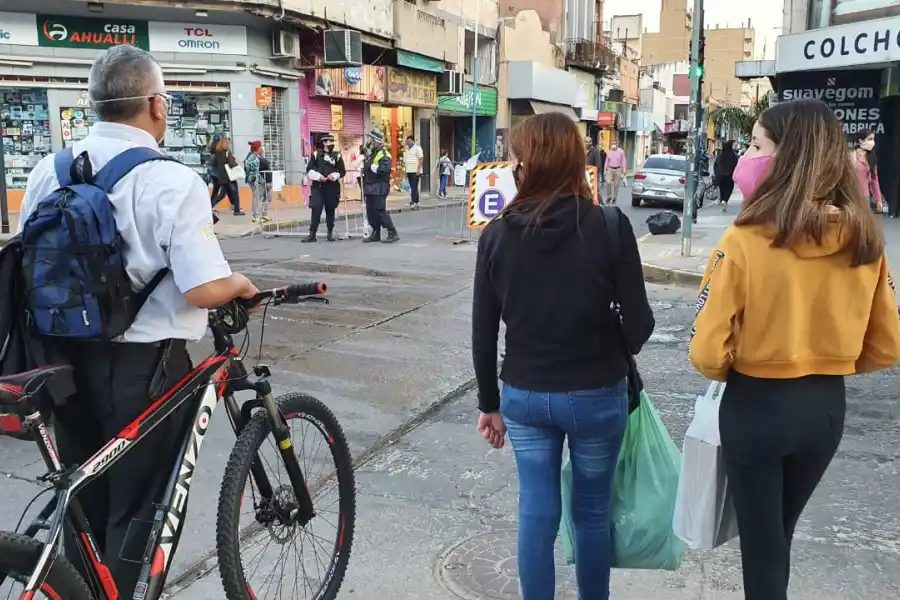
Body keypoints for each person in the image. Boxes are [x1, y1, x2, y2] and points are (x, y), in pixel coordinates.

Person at [15, 44, 260, 596]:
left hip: (56, 365)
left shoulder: (45, 171)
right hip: (141, 370)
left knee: (82, 504)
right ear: (155, 104)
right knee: (138, 509)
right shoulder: (171, 180)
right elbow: (202, 288)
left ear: (95, 104)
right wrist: (242, 285)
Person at [690, 98, 900, 600]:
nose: (747, 155)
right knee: (777, 537)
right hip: (825, 408)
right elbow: (886, 342)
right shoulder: (863, 238)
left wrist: (738, 364)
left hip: (757, 405)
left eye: (757, 145)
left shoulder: (745, 240)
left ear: (789, 157)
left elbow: (706, 350)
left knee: (761, 549)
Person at [472, 112, 655, 600]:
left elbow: (483, 333)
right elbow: (640, 328)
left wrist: (489, 404)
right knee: (592, 512)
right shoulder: (611, 228)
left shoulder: (496, 235)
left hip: (525, 396)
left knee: (536, 509)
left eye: (516, 160)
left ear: (528, 167)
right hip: (597, 393)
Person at [304, 134, 346, 242]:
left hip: (332, 187)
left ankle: (330, 233)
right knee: (316, 208)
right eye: (329, 141)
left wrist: (334, 176)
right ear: (324, 143)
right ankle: (312, 234)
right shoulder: (316, 154)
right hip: (318, 186)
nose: (331, 143)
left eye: (332, 141)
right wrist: (319, 177)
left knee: (330, 209)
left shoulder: (337, 156)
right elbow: (309, 170)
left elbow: (342, 172)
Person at [362, 130, 400, 243]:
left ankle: (392, 232)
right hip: (370, 187)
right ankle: (375, 232)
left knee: (380, 210)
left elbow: (383, 170)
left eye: (371, 140)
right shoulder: (372, 153)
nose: (369, 142)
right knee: (371, 212)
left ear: (376, 141)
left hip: (379, 187)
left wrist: (372, 167)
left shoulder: (384, 154)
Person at [852, 128, 884, 215]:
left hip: (864, 197)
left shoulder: (871, 158)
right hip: (849, 196)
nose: (872, 142)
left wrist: (878, 199)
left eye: (873, 139)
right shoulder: (850, 155)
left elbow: (874, 181)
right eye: (870, 139)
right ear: (860, 140)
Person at [211, 136, 244, 216]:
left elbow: (214, 164)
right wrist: (235, 161)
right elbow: (231, 164)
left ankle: (209, 206)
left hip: (222, 177)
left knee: (221, 195)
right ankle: (237, 211)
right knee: (235, 193)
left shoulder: (217, 154)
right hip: (230, 177)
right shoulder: (227, 153)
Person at [244, 140, 271, 223]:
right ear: (257, 149)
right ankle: (255, 216)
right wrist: (262, 182)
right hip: (254, 181)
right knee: (256, 197)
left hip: (255, 180)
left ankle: (261, 215)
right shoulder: (253, 158)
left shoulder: (256, 156)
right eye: (260, 147)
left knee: (260, 197)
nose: (261, 149)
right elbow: (256, 173)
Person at [714, 140, 738, 212]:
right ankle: (725, 201)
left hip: (721, 176)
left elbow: (716, 166)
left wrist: (717, 174)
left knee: (722, 189)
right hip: (730, 177)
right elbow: (736, 166)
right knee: (728, 190)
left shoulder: (720, 155)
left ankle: (722, 199)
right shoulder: (733, 156)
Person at [604, 138, 627, 204]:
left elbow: (623, 161)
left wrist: (624, 169)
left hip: (618, 169)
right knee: (608, 183)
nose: (613, 145)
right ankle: (609, 197)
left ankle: (614, 198)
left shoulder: (621, 151)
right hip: (610, 169)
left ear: (617, 144)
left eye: (615, 144)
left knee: (616, 185)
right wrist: (605, 170)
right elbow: (606, 161)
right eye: (612, 144)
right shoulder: (608, 152)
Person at [404, 135, 424, 209]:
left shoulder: (418, 148)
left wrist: (418, 170)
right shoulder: (407, 149)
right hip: (409, 170)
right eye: (407, 141)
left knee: (414, 186)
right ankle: (417, 201)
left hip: (415, 171)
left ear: (413, 141)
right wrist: (406, 171)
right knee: (413, 187)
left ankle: (414, 201)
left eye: (409, 141)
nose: (408, 143)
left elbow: (421, 159)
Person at [585, 136, 606, 202]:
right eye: (587, 142)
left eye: (590, 141)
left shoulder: (595, 151)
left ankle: (600, 204)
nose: (588, 143)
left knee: (594, 193)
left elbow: (598, 165)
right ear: (584, 142)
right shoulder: (581, 150)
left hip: (592, 174)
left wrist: (595, 173)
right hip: (583, 174)